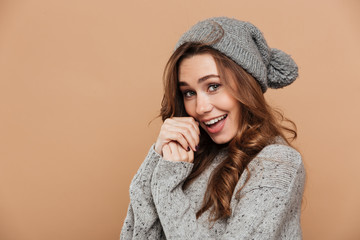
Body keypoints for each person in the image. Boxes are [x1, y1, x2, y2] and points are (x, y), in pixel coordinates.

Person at [120, 17, 305, 240]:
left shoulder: (278, 164)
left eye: (213, 86)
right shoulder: (190, 157)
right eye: (189, 92)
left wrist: (167, 190)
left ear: (246, 85)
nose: (200, 107)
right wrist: (157, 158)